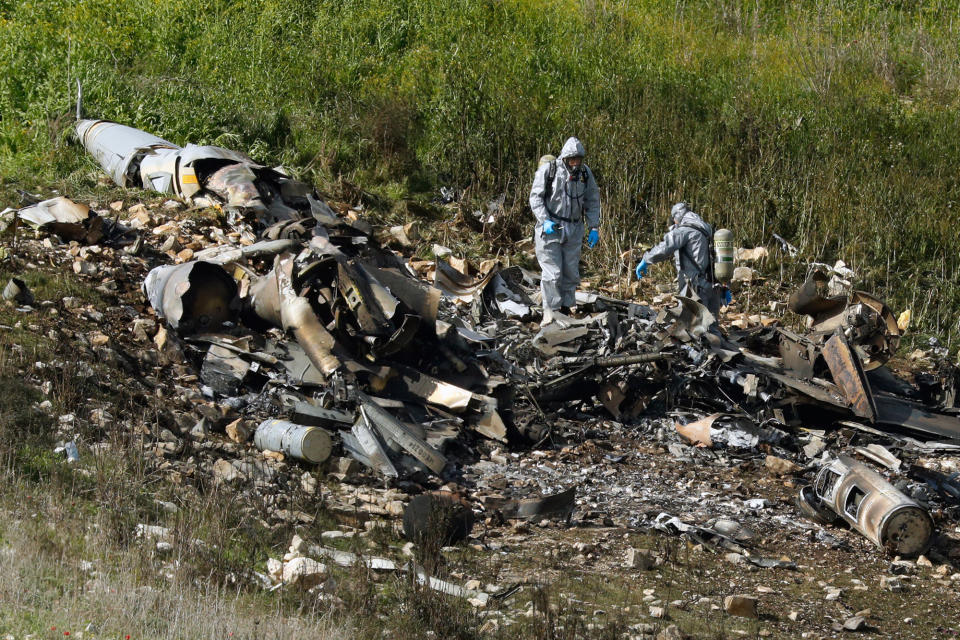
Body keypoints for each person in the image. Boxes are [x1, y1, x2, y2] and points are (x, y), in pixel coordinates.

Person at [529, 137, 601, 323]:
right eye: (572, 159)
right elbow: (535, 198)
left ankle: (566, 309)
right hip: (551, 227)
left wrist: (593, 226)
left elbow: (592, 200)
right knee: (553, 273)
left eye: (578, 159)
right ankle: (551, 312)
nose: (575, 163)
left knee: (570, 272)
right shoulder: (549, 170)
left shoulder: (585, 174)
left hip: (574, 227)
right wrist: (544, 220)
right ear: (565, 158)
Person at [635, 202, 729, 316]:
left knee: (693, 326)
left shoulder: (684, 230)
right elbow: (721, 258)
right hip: (714, 287)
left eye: (674, 219)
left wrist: (646, 260)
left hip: (695, 287)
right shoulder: (709, 229)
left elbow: (665, 248)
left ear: (677, 216)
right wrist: (726, 285)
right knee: (712, 326)